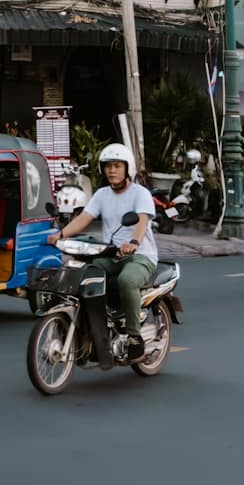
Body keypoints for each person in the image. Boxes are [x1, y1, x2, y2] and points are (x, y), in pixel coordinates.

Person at [52, 142, 158, 358]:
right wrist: (60, 235)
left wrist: (134, 243)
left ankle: (133, 336)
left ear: (127, 168)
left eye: (117, 166)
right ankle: (95, 325)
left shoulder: (141, 193)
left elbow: (142, 221)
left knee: (126, 281)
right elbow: (84, 219)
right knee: (83, 273)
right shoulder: (101, 194)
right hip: (111, 255)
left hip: (140, 256)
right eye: (108, 166)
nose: (112, 170)